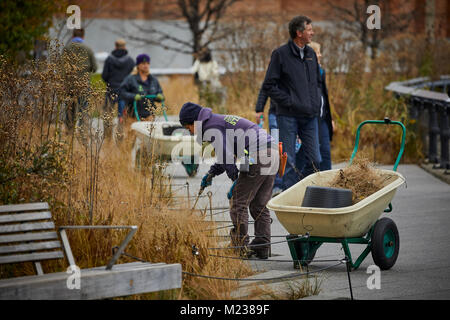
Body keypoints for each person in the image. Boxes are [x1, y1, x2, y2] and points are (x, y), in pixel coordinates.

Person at [179, 102, 278, 259]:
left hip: (258, 154)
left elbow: (226, 155)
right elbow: (227, 154)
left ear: (194, 121)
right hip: (272, 152)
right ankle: (262, 246)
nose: (189, 131)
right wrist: (212, 173)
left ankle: (239, 246)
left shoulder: (210, 126)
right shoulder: (217, 121)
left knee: (238, 202)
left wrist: (235, 180)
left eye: (188, 127)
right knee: (259, 204)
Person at [262, 15, 322, 191]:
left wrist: (315, 103)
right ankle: (289, 197)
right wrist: (290, 101)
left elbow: (316, 83)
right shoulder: (280, 54)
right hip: (288, 116)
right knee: (289, 162)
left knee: (315, 159)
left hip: (309, 116)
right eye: (309, 29)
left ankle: (299, 188)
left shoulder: (311, 54)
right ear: (299, 32)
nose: (312, 32)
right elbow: (268, 85)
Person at [297, 41, 334, 171]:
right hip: (309, 118)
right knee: (307, 154)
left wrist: (330, 119)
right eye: (318, 52)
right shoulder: (303, 71)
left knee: (325, 152)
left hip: (322, 118)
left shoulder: (321, 71)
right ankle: (297, 181)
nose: (320, 55)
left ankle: (327, 184)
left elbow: (325, 97)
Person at [63, 28, 97, 131]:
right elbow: (95, 68)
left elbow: (61, 66)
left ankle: (69, 132)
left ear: (73, 36)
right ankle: (83, 133)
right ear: (83, 36)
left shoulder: (67, 48)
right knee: (83, 110)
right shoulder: (88, 49)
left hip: (69, 85)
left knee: (70, 110)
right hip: (84, 85)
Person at [254, 87, 283, 197]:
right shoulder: (276, 70)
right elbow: (266, 87)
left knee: (290, 151)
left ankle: (289, 184)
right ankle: (277, 186)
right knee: (276, 150)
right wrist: (259, 109)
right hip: (275, 113)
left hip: (297, 114)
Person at [119, 54, 164, 121]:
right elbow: (122, 93)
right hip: (133, 116)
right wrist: (133, 96)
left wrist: (160, 97)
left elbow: (160, 93)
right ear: (138, 65)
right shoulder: (130, 79)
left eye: (148, 63)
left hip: (149, 116)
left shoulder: (153, 80)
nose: (146, 65)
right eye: (143, 63)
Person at [101, 38, 134, 124]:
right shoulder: (130, 61)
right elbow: (133, 77)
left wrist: (109, 83)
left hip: (111, 89)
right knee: (122, 116)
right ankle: (121, 135)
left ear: (115, 47)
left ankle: (107, 136)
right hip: (124, 91)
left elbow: (104, 76)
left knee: (108, 115)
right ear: (124, 47)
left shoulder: (109, 59)